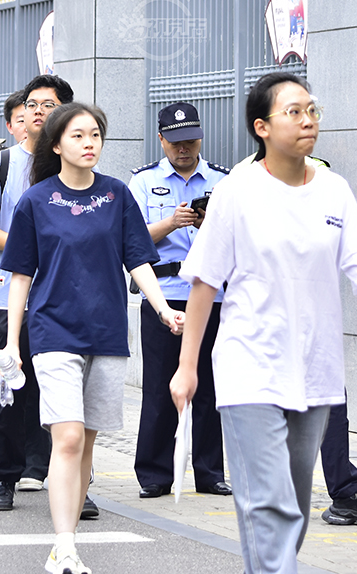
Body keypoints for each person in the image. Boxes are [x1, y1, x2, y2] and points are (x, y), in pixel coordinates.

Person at [171, 72, 357, 574]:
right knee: (269, 503)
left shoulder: (333, 190)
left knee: (295, 507)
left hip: (315, 370)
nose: (308, 120)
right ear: (261, 127)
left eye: (312, 110)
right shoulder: (236, 192)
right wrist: (187, 366)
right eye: (294, 112)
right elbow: (204, 283)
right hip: (249, 367)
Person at [0, 102, 180, 574]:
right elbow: (20, 275)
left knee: (88, 443)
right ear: (56, 145)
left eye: (95, 135)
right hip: (52, 330)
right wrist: (12, 343)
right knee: (70, 437)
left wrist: (161, 307)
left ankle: (67, 539)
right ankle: (65, 543)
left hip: (107, 333)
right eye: (78, 136)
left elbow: (138, 259)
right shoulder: (35, 201)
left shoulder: (118, 196)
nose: (89, 143)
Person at [0, 77, 74, 510]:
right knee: (8, 388)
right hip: (14, 296)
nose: (38, 111)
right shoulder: (2, 164)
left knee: (66, 389)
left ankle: (69, 483)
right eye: (32, 104)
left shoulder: (78, 163)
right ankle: (3, 476)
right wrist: (26, 247)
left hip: (66, 296)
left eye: (49, 104)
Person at [127, 102, 231, 499]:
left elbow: (236, 238)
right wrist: (170, 222)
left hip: (211, 296)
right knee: (158, 387)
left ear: (201, 137)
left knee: (208, 386)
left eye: (189, 141)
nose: (183, 149)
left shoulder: (222, 181)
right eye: (175, 143)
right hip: (163, 296)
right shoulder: (142, 183)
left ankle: (209, 471)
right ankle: (154, 474)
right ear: (161, 140)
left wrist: (208, 224)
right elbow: (131, 241)